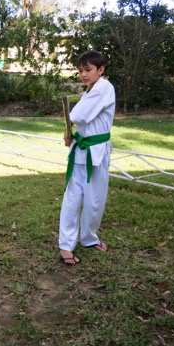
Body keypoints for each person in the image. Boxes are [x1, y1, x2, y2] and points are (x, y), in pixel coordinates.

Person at [58, 51, 116, 265]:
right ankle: (65, 245)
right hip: (80, 149)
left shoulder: (104, 88)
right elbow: (79, 121)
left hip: (96, 153)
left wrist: (72, 120)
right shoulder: (90, 90)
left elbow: (79, 116)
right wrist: (70, 135)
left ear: (101, 70)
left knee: (94, 200)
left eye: (88, 70)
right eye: (80, 70)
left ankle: (89, 238)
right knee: (72, 198)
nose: (83, 74)